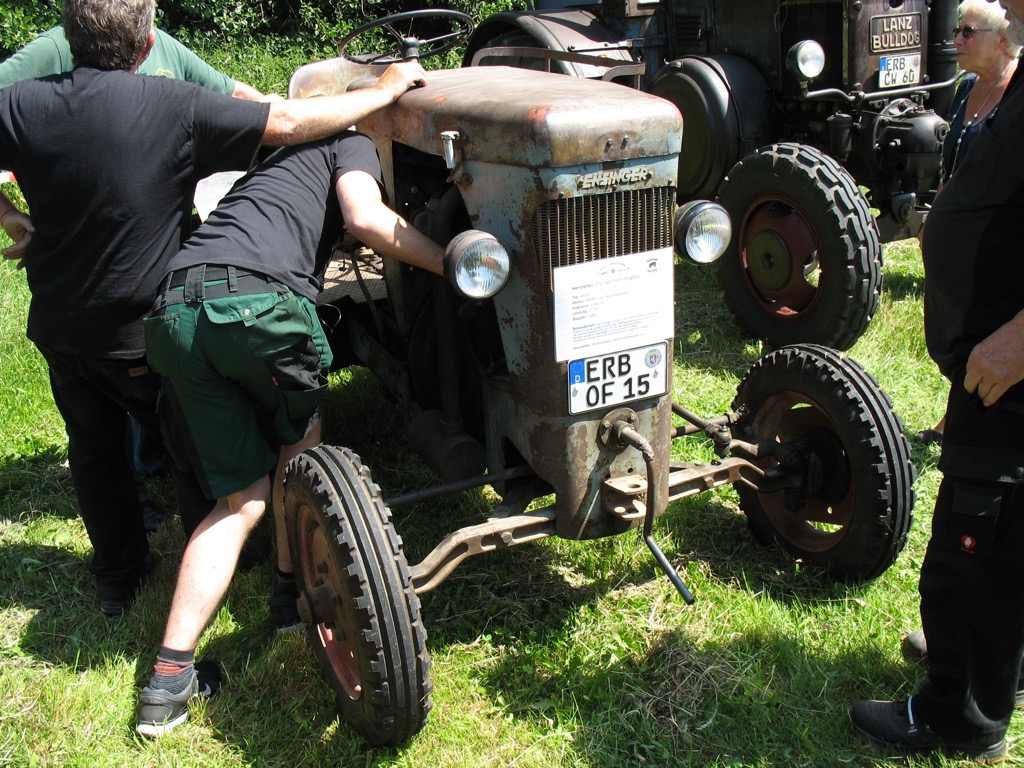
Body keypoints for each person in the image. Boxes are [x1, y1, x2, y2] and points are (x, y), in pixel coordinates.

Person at [0, 0, 427, 620]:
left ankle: (119, 578)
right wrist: (384, 90)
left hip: (62, 324)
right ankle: (234, 557)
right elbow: (280, 120)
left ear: (67, 37)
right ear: (148, 45)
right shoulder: (170, 105)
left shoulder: (22, 103)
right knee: (192, 439)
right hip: (143, 323)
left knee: (93, 448)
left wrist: (10, 215)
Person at [136, 127, 446, 736]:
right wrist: (452, 259)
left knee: (241, 500)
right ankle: (288, 594)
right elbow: (363, 216)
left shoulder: (271, 164)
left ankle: (166, 683)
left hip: (175, 310)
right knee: (302, 459)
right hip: (255, 306)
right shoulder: (348, 140)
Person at [850, 0, 1024, 762]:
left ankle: (958, 715)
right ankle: (1001, 664)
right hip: (987, 365)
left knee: (973, 539)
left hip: (1008, 365)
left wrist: (1019, 341)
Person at [916, 0, 1020, 447]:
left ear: (1002, 40)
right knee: (949, 322)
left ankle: (956, 417)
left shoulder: (1013, 94)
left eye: (969, 33)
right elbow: (952, 165)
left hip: (993, 257)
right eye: (957, 31)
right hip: (957, 228)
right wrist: (937, 216)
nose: (957, 40)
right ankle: (953, 409)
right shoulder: (964, 90)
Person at [0, 23, 264, 98]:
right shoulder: (56, 48)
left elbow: (230, 91)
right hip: (76, 227)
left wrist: (270, 109)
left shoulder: (159, 41)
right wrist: (6, 213)